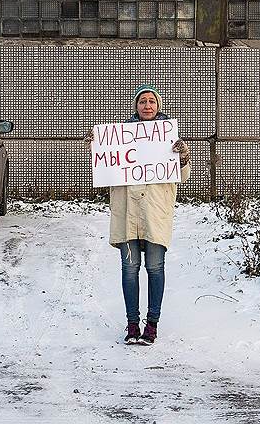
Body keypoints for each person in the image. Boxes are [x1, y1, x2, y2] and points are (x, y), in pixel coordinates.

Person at [89, 84, 190, 345]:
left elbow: (183, 177)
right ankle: (132, 324)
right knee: (129, 269)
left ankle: (152, 324)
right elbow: (108, 169)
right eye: (142, 101)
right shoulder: (120, 138)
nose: (147, 105)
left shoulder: (169, 139)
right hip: (127, 215)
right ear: (136, 106)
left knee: (155, 268)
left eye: (152, 101)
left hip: (155, 214)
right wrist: (97, 147)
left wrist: (183, 157)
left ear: (158, 106)